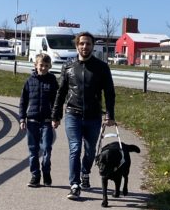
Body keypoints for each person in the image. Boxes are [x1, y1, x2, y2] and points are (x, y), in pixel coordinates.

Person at [51, 31, 116, 199]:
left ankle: (85, 172)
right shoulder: (68, 66)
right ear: (76, 45)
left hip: (94, 116)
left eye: (88, 44)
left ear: (93, 46)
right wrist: (56, 115)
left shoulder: (101, 68)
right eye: (81, 43)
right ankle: (74, 184)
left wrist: (109, 114)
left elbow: (109, 93)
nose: (84, 46)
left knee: (90, 150)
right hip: (73, 113)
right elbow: (61, 92)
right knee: (75, 148)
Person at [18, 53, 59, 187]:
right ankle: (35, 175)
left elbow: (57, 101)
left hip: (47, 121)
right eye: (41, 65)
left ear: (49, 66)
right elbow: (23, 101)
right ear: (36, 65)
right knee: (33, 149)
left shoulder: (52, 81)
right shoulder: (30, 81)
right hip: (32, 121)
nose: (43, 68)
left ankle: (46, 172)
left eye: (46, 66)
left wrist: (56, 117)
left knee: (47, 148)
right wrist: (22, 118)